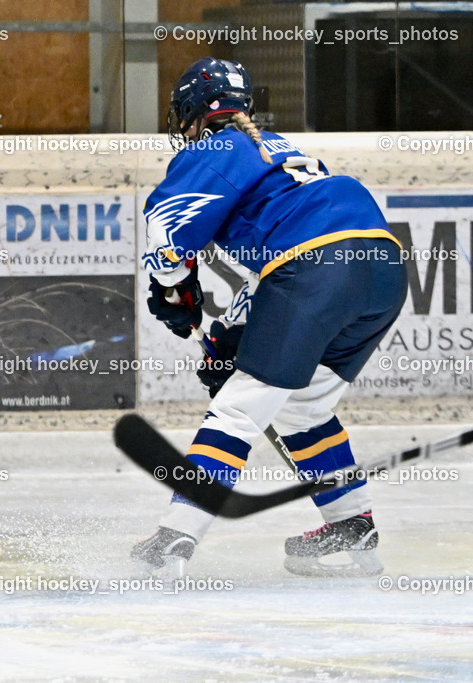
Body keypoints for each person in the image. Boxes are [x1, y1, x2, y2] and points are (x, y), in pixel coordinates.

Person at [132, 58, 407, 578]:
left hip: (315, 269)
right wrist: (230, 331)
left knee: (237, 412)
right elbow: (287, 265)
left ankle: (176, 536)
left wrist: (173, 288)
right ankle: (352, 522)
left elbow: (167, 233)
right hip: (382, 269)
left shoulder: (217, 147)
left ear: (192, 112)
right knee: (303, 408)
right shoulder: (279, 149)